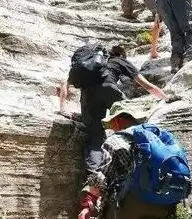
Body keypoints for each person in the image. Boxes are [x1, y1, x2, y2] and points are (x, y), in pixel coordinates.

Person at [58, 45, 168, 178]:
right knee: (133, 127)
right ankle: (141, 165)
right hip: (110, 90)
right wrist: (165, 97)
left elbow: (64, 82)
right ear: (122, 55)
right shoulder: (120, 61)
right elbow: (145, 84)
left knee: (95, 139)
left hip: (88, 96)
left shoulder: (91, 65)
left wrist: (62, 109)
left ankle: (92, 181)